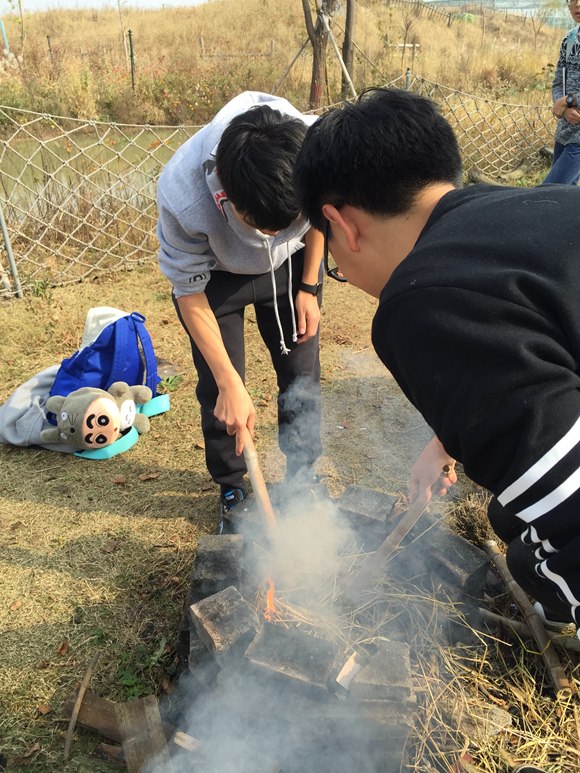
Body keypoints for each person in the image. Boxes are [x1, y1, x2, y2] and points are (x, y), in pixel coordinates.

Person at [293, 87, 580, 642]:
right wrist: (445, 440)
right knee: (510, 521)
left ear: (341, 224)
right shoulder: (526, 207)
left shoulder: (420, 299)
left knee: (536, 557)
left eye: (331, 256)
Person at [157, 92, 324, 528]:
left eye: (286, 221)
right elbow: (188, 293)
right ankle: (233, 485)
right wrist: (230, 380)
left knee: (301, 373)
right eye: (262, 225)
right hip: (216, 274)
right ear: (226, 197)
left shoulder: (315, 149)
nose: (272, 233)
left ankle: (303, 475)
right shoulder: (183, 194)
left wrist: (308, 285)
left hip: (291, 269)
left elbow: (324, 217)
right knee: (221, 389)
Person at [543, 2, 580, 185]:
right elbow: (559, 80)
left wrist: (569, 100)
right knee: (566, 196)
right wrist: (563, 109)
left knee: (547, 192)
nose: (577, 4)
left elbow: (566, 97)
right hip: (564, 131)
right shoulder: (570, 39)